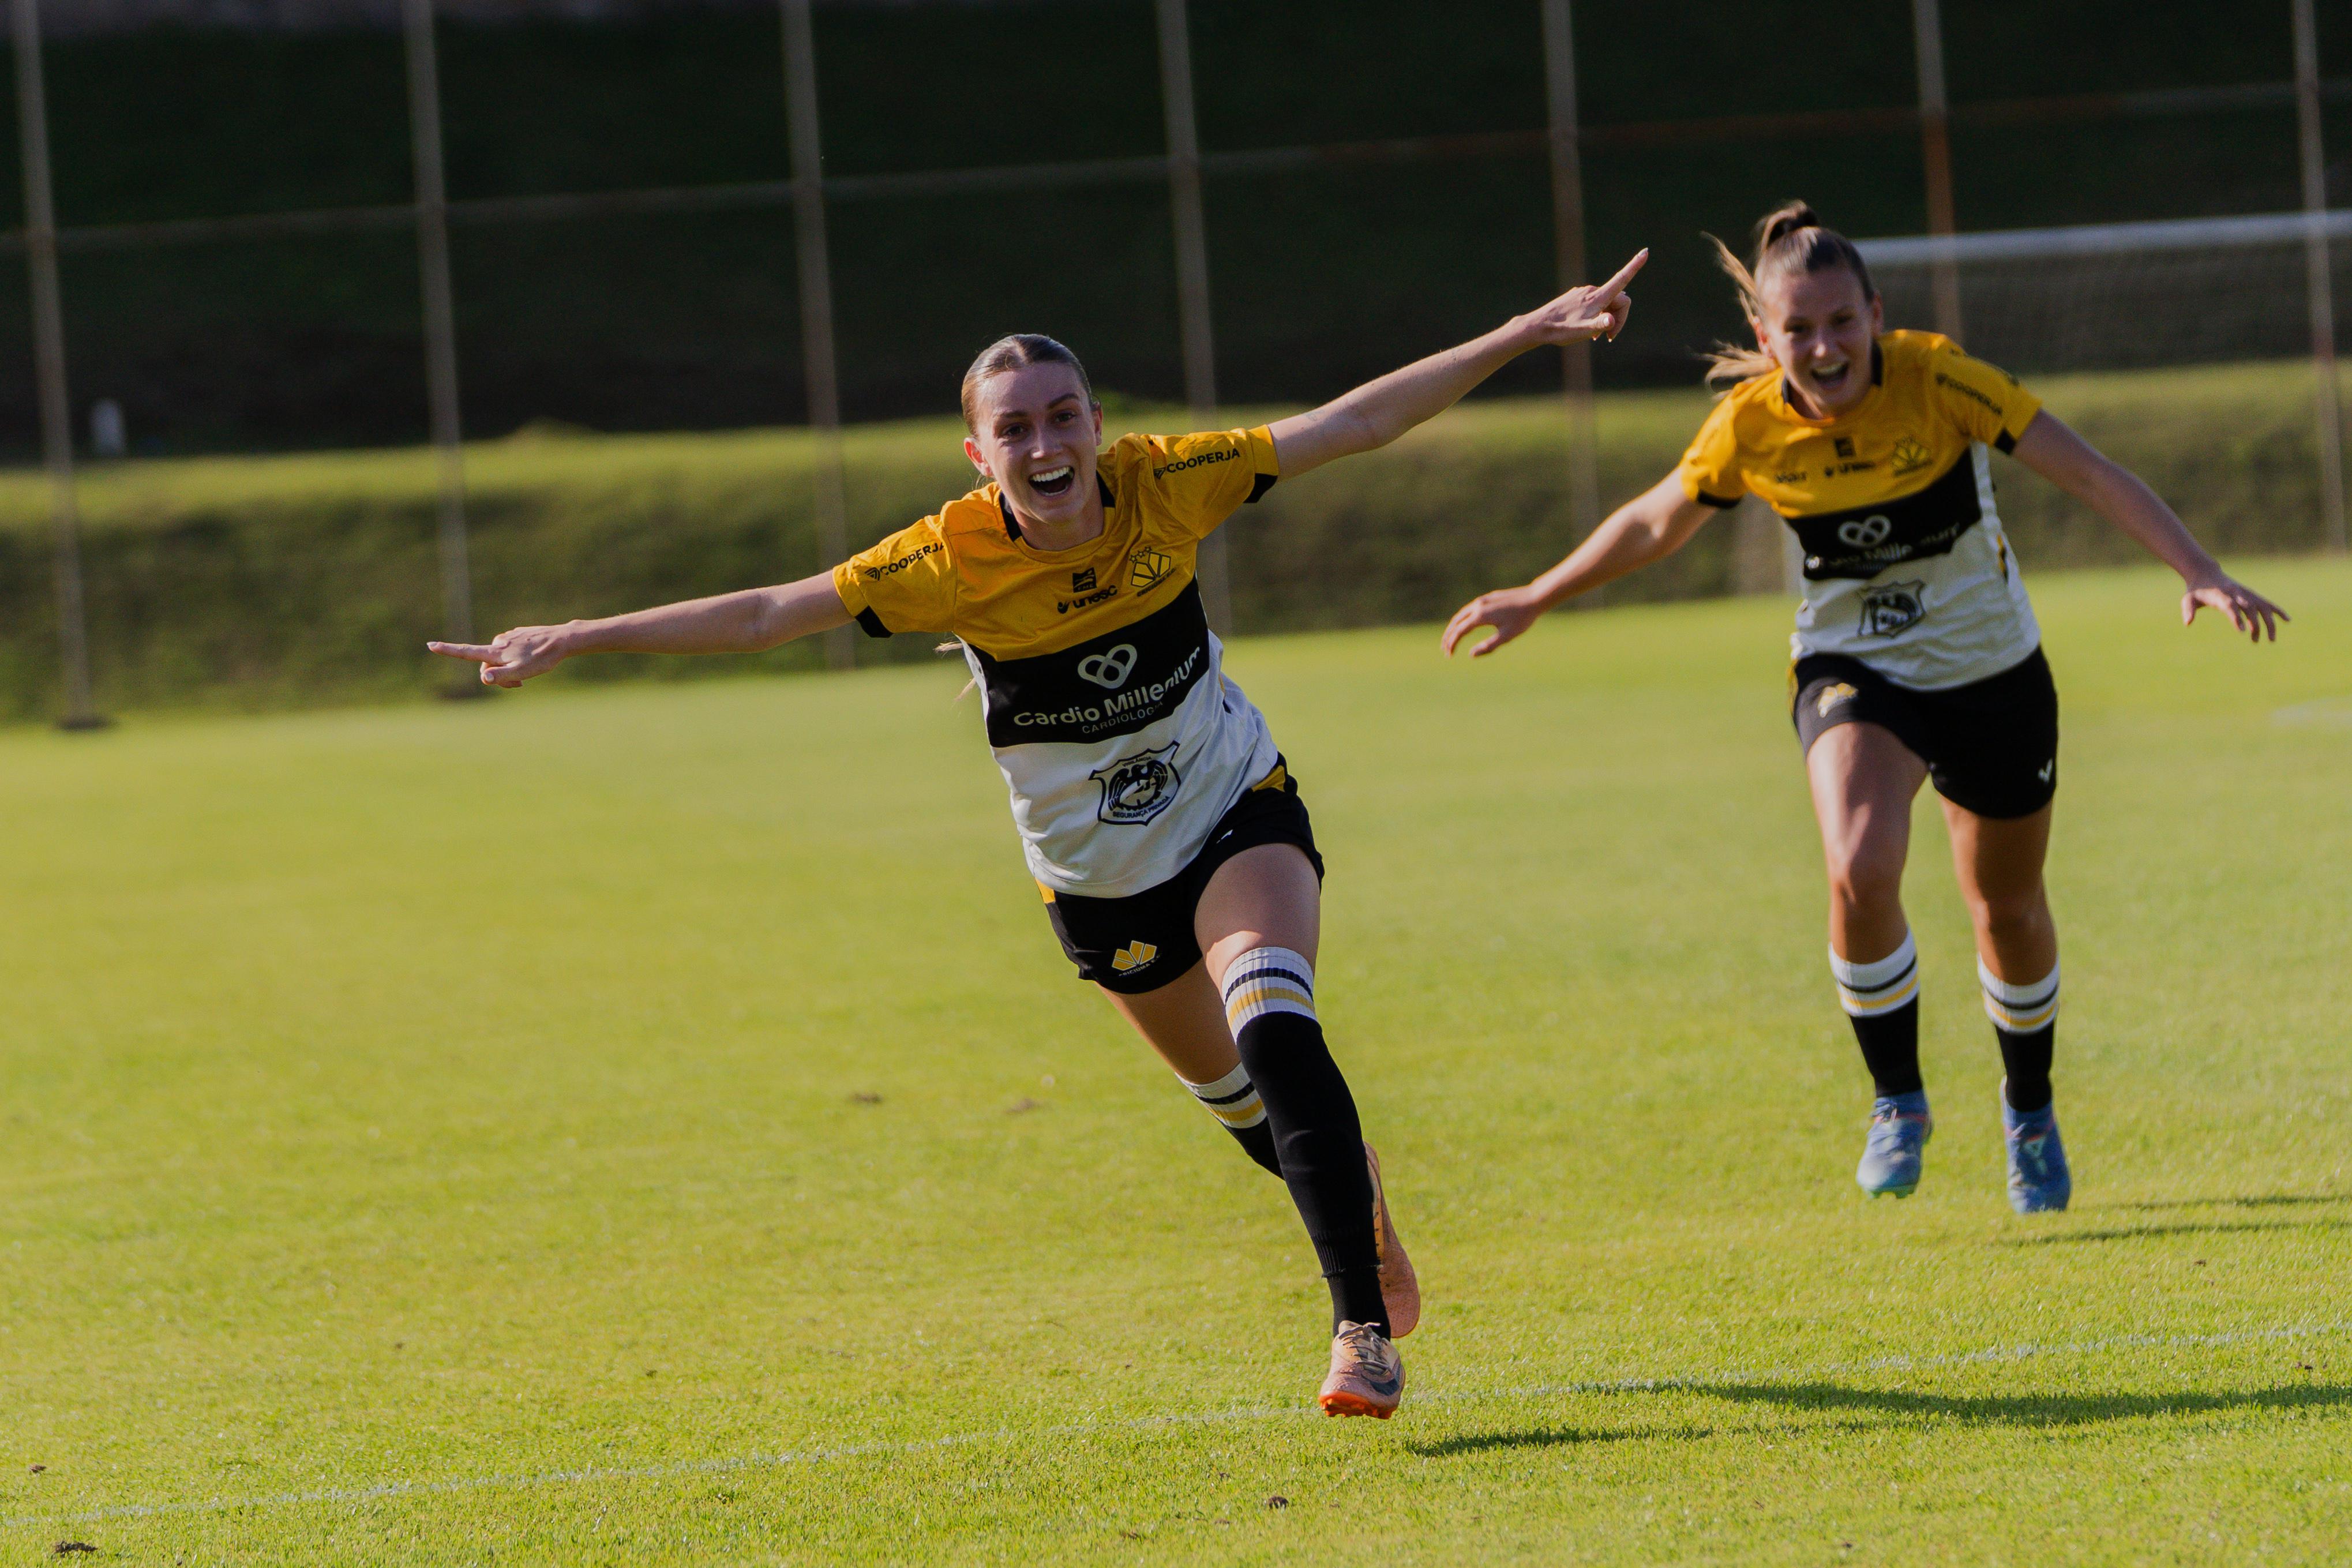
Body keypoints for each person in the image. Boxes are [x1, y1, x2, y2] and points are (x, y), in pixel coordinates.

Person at [430, 250, 1649, 1415]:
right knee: (1248, 1113)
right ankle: (1358, 1208)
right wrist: (576, 635)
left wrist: (1524, 331)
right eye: (1015, 429)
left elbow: (1354, 422)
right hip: (1099, 885)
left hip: (1233, 809)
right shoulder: (945, 558)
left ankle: (1358, 1331)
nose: (1046, 443)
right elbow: (765, 613)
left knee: (1276, 1030)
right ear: (981, 455)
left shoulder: (1167, 481)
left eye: (1064, 417)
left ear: (1098, 426)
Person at [1443, 203, 2285, 1214]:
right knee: (1855, 863)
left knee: (2006, 907)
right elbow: (1656, 519)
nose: (1823, 347)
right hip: (1855, 669)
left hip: (1990, 671)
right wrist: (1539, 594)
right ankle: (1897, 1100)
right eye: (1797, 329)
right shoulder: (1749, 423)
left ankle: (2028, 1111)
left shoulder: (1940, 379)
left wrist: (2196, 567)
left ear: (1875, 315)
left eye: (1841, 321)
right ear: (1765, 337)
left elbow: (2085, 470)